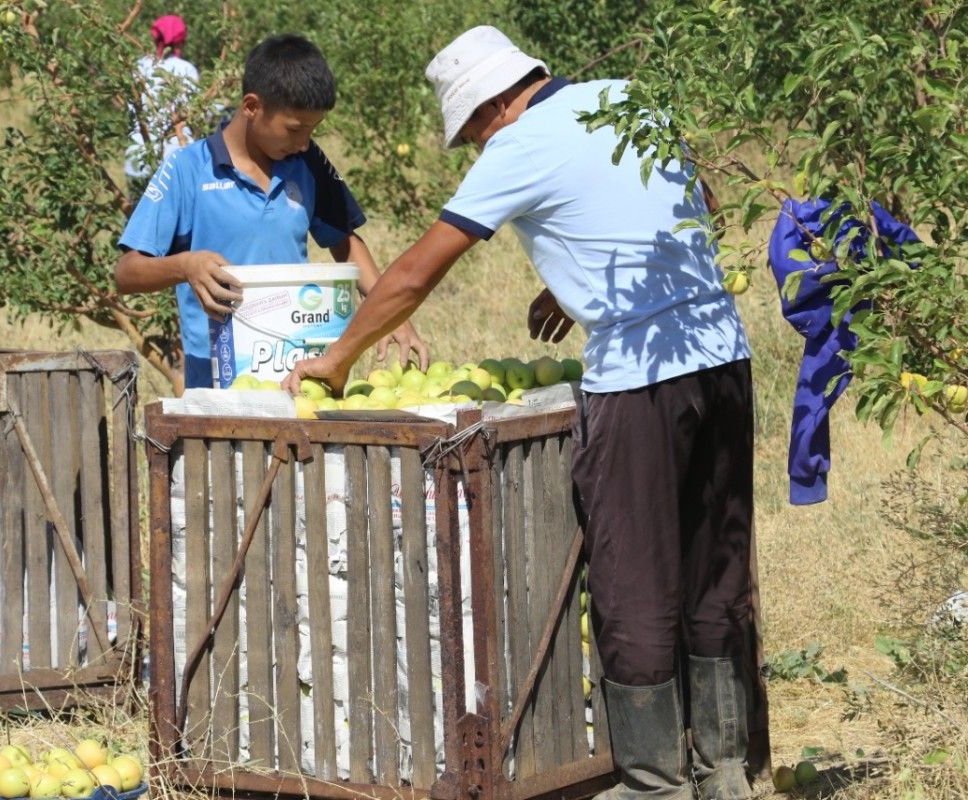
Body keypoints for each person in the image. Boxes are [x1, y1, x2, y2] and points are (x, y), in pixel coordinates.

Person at [285, 26, 755, 800]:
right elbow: (698, 200)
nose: (475, 146)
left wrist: (337, 360)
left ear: (495, 105)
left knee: (632, 573)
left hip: (640, 378)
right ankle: (725, 771)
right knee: (715, 564)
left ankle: (653, 784)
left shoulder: (518, 144)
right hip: (724, 358)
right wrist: (582, 268)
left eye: (470, 129)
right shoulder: (628, 100)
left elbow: (414, 271)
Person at [115, 33, 427, 390]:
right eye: (295, 129)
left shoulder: (306, 162)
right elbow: (126, 273)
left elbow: (346, 242)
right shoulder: (188, 169)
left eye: (313, 130)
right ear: (251, 107)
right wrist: (185, 266)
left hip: (298, 375)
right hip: (216, 380)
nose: (305, 142)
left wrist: (392, 314)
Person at [125, 14, 202, 199]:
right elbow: (196, 117)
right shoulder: (187, 69)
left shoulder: (139, 67)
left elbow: (131, 112)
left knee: (137, 221)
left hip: (138, 158)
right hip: (176, 162)